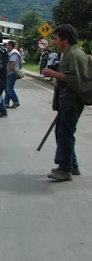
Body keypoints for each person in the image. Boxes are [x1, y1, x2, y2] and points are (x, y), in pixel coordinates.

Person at [42, 24, 91, 181]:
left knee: (65, 133)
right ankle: (72, 164)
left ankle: (65, 168)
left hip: (72, 101)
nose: (54, 42)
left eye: (56, 39)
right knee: (64, 132)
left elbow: (77, 79)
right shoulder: (68, 53)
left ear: (65, 39)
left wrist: (53, 73)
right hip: (66, 101)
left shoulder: (75, 55)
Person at [0, 40, 21, 114]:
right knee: (8, 88)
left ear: (10, 46)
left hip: (12, 73)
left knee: (9, 88)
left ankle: (16, 101)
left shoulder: (14, 53)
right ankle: (6, 103)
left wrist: (7, 72)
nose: (6, 47)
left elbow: (12, 63)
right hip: (11, 72)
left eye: (7, 45)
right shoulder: (12, 52)